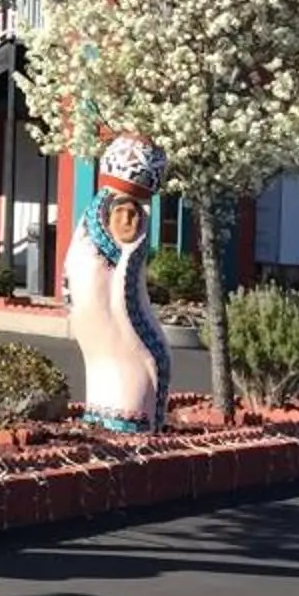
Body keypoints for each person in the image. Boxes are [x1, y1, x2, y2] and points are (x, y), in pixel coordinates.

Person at [64, 133, 175, 432]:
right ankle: (129, 420)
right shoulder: (125, 209)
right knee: (137, 368)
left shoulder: (97, 208)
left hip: (93, 322)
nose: (132, 222)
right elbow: (124, 294)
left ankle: (113, 417)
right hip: (113, 330)